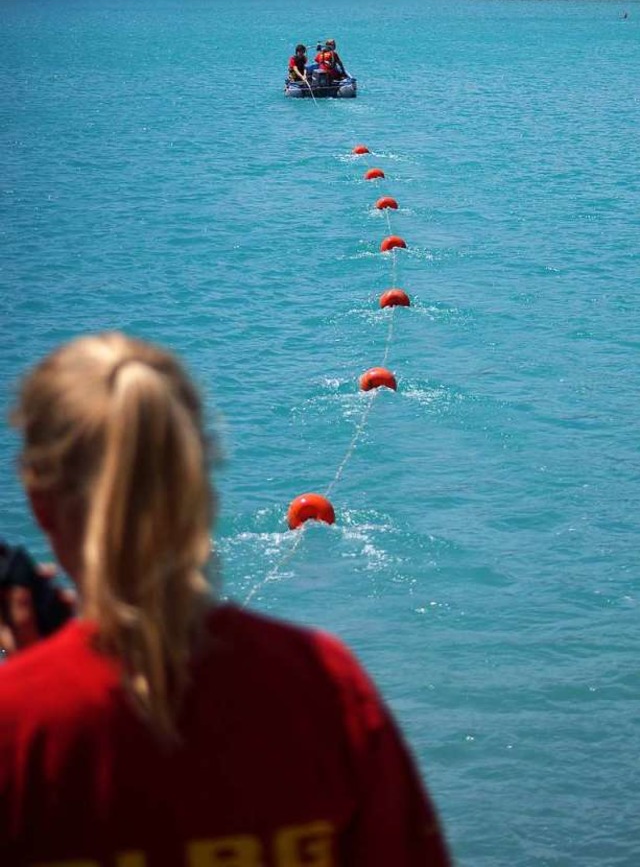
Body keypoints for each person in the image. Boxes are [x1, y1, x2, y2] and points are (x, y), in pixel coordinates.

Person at [0, 332, 451, 867]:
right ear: (202, 483)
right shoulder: (326, 685)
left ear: (40, 503)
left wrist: (31, 686)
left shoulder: (19, 727)